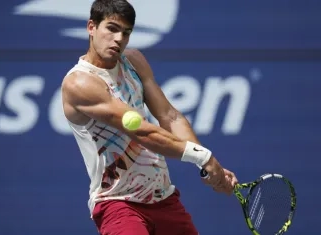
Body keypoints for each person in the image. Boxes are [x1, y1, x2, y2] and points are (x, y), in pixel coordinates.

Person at [61, 0, 238, 234]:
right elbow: (142, 132)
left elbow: (169, 116)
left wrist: (210, 170)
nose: (119, 39)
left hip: (163, 198)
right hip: (117, 202)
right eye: (112, 29)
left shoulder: (134, 61)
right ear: (91, 27)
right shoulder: (80, 83)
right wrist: (204, 157)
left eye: (126, 33)